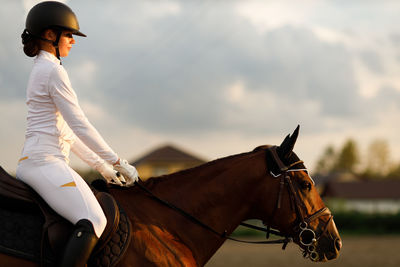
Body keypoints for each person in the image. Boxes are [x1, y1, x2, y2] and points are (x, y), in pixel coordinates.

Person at [16, 2, 139, 266]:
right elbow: (81, 124)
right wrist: (120, 162)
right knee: (95, 219)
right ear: (50, 35)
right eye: (68, 35)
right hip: (44, 163)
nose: (73, 41)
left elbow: (68, 133)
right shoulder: (53, 71)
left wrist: (103, 168)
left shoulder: (44, 68)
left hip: (39, 161)